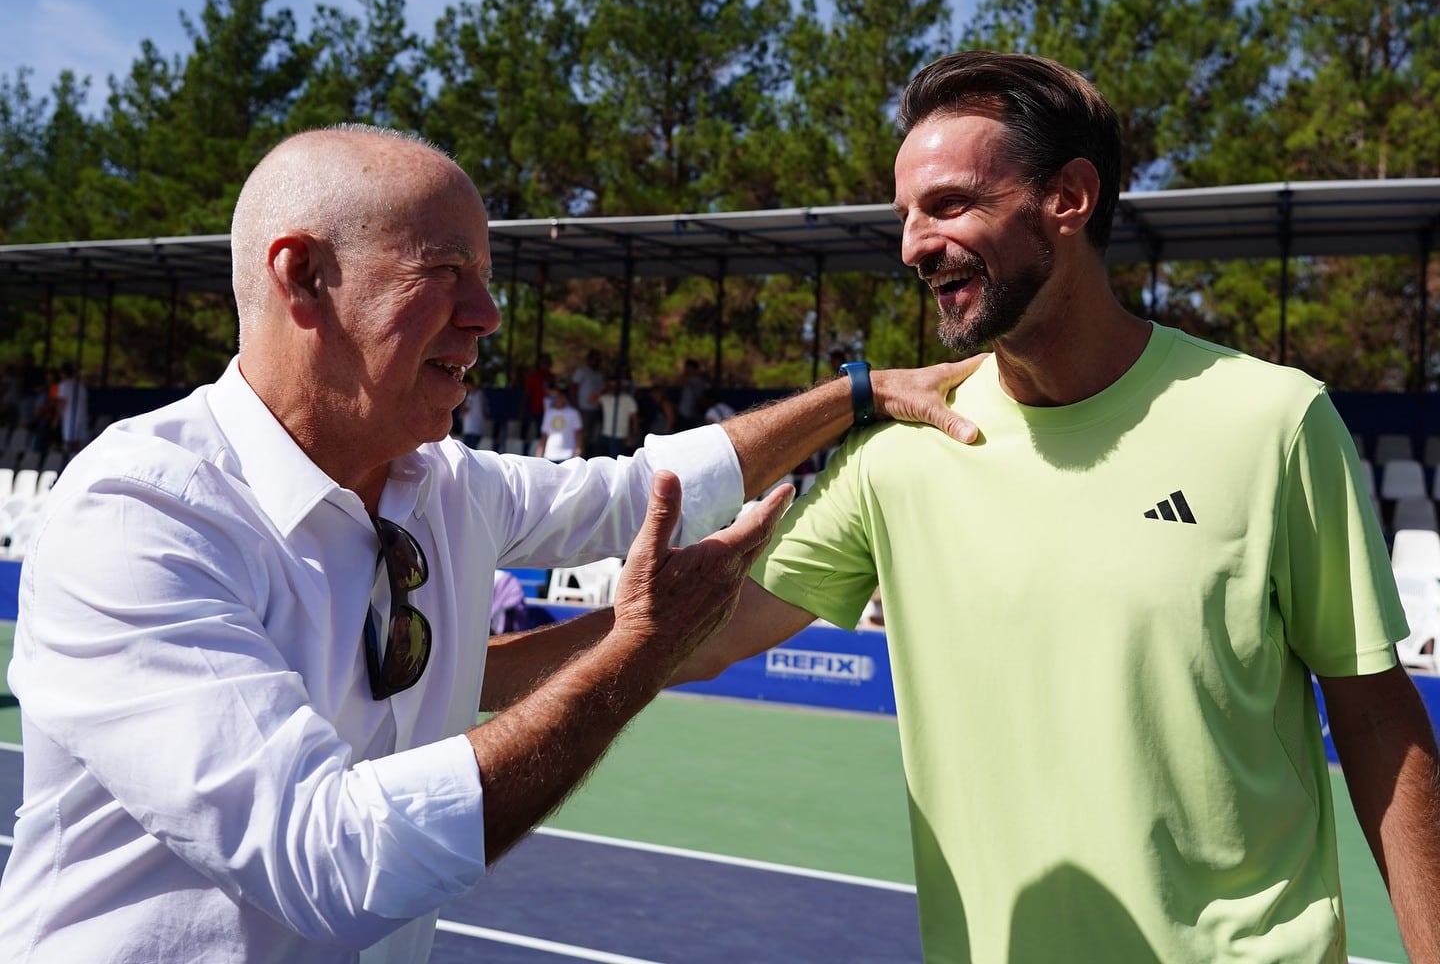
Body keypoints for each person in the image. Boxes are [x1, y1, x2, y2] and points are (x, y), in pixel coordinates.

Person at [0, 123, 980, 963]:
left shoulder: (444, 482)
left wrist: (859, 393)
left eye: (488, 278)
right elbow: (328, 859)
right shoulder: (144, 516)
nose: (489, 316)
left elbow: (645, 486)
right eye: (446, 274)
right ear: (302, 276)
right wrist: (631, 661)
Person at [682, 52, 1440, 962]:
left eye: (950, 204)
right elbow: (696, 637)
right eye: (907, 215)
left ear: (1069, 199)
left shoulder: (1273, 420)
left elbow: (1374, 717)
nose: (914, 246)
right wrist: (473, 669)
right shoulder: (901, 454)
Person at [569, 349, 605, 446]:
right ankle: (582, 455)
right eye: (595, 359)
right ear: (589, 359)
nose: (597, 361)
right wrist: (575, 405)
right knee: (583, 434)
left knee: (593, 435)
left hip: (596, 408)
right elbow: (573, 388)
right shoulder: (582, 371)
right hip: (583, 408)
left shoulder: (599, 374)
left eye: (598, 359)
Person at [597, 374, 639, 457]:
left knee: (617, 462)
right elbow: (590, 401)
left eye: (615, 386)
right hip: (606, 435)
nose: (613, 389)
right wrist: (600, 389)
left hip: (621, 436)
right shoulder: (605, 398)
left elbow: (635, 420)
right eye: (611, 386)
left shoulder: (628, 399)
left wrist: (633, 436)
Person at [539, 385, 584, 461]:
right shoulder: (549, 413)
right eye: (554, 397)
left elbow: (579, 434)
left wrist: (578, 452)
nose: (555, 399)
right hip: (549, 455)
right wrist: (539, 455)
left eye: (558, 397)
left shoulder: (573, 413)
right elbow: (544, 435)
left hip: (568, 455)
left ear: (564, 398)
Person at [519, 352, 553, 443]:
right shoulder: (534, 376)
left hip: (547, 411)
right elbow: (527, 393)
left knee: (542, 433)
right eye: (544, 362)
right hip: (534, 409)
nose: (546, 365)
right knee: (527, 433)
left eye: (547, 362)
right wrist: (523, 408)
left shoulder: (551, 377)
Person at [459, 372, 488, 449]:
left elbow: (464, 410)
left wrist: (460, 400)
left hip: (471, 429)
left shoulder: (472, 395)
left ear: (468, 384)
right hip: (477, 428)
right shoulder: (480, 394)